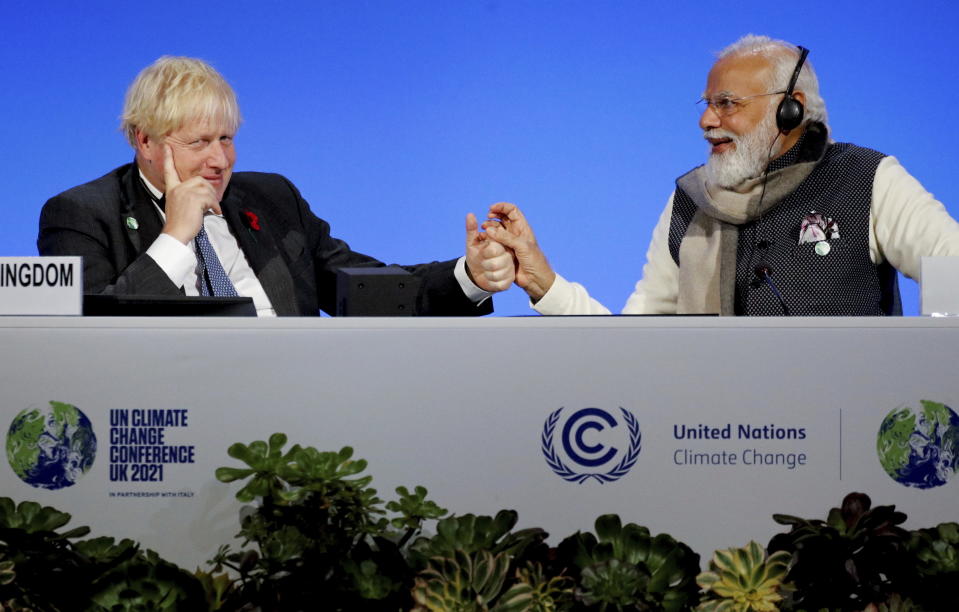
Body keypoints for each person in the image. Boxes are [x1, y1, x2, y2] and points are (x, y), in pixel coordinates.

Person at [484, 35, 959, 316]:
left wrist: (929, 381)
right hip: (712, 443)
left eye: (727, 103)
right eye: (707, 104)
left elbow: (953, 267)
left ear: (790, 109)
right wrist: (545, 285)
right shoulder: (691, 200)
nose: (706, 121)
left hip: (845, 440)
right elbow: (631, 345)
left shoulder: (866, 179)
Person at [38, 56, 513, 316]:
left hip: (297, 405)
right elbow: (94, 330)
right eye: (199, 142)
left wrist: (466, 277)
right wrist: (175, 237)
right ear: (144, 139)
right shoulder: (81, 213)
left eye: (226, 139)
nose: (219, 160)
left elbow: (364, 288)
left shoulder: (271, 199)